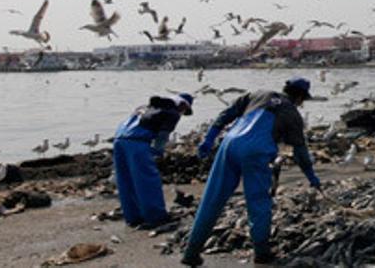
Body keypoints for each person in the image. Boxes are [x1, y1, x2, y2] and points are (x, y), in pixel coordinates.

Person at [181, 78, 320, 266]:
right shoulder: (293, 114)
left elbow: (226, 115)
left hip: (228, 146)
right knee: (258, 202)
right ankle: (261, 253)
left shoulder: (258, 94)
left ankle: (191, 253)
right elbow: (300, 153)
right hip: (256, 152)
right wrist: (312, 177)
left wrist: (209, 140)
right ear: (300, 97)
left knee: (212, 198)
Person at [113, 92, 194, 229]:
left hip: (119, 139)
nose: (182, 113)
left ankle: (133, 217)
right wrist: (157, 152)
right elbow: (162, 136)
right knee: (147, 180)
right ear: (182, 104)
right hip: (137, 142)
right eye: (184, 110)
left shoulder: (147, 106)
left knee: (126, 180)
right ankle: (156, 217)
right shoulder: (172, 112)